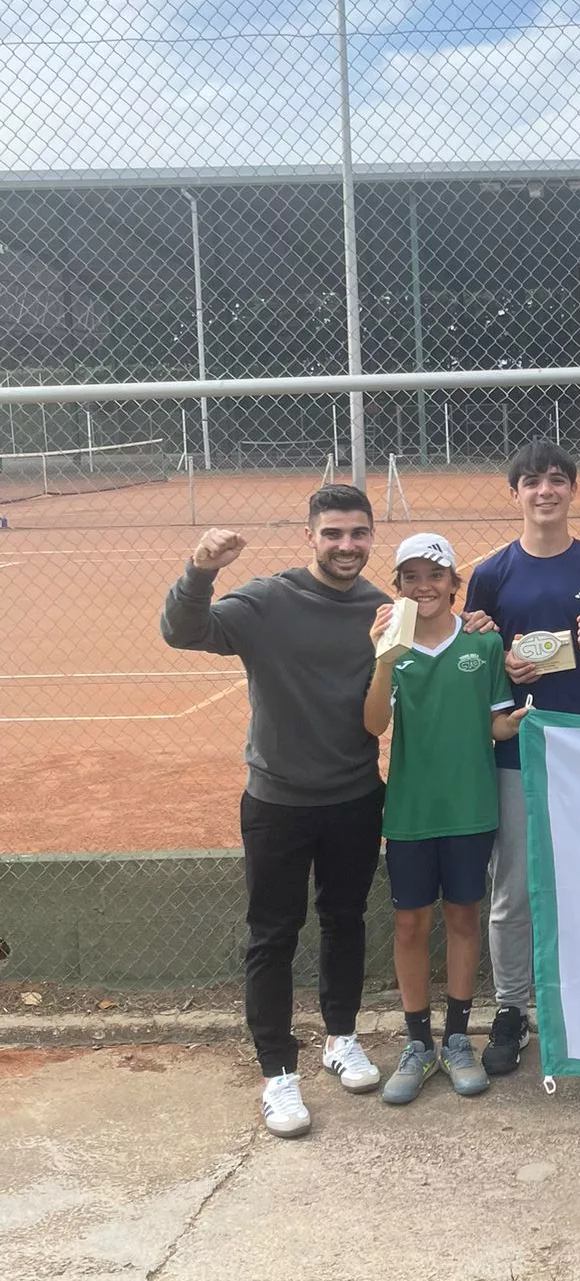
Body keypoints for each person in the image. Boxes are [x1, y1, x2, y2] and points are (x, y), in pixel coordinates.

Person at [160, 484, 390, 1140]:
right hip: (277, 801)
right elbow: (184, 631)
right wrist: (200, 570)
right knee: (273, 935)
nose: (346, 545)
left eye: (358, 533)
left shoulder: (381, 610)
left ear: (371, 538)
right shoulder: (267, 600)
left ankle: (341, 1038)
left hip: (355, 796)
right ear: (310, 537)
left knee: (345, 920)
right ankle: (277, 1073)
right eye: (333, 533)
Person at [464, 439, 580, 1079]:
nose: (545, 491)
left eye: (557, 480)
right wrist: (500, 662)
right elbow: (474, 662)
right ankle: (512, 1007)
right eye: (532, 481)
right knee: (513, 887)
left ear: (572, 489)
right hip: (519, 746)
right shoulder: (491, 574)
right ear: (515, 493)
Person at [364, 534, 526, 1105]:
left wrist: (520, 722)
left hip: (470, 807)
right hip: (411, 809)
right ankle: (417, 1043)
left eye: (435, 575)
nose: (423, 586)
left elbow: (495, 724)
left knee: (462, 917)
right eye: (410, 577)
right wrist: (383, 659)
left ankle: (457, 1039)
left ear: (455, 583)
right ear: (398, 587)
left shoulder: (483, 644)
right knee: (410, 924)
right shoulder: (392, 647)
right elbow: (373, 724)